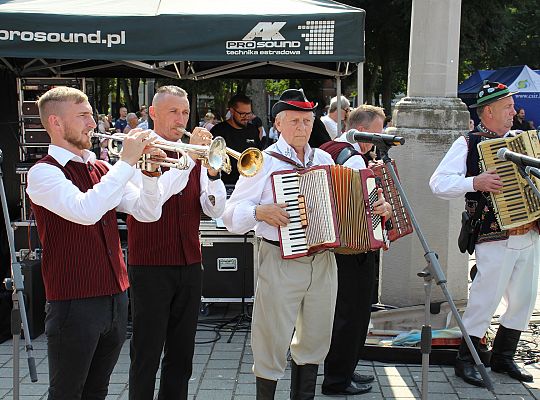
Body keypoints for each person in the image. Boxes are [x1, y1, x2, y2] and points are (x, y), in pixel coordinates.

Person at [223, 89, 389, 400]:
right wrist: (260, 211)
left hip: (324, 260)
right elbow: (230, 215)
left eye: (308, 121)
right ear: (279, 124)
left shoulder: (325, 158)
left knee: (316, 337)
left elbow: (353, 202)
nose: (303, 127)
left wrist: (377, 207)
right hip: (279, 259)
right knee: (271, 337)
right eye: (296, 121)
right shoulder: (264, 161)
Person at [26, 86, 164, 400]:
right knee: (66, 392)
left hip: (115, 296)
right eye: (83, 116)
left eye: (91, 114)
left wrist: (152, 172)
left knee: (97, 390)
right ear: (56, 123)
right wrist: (127, 162)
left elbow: (147, 211)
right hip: (74, 301)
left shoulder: (102, 168)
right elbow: (85, 210)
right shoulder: (44, 172)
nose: (93, 123)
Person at [430, 81, 538, 387]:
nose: (513, 112)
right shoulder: (467, 143)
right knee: (484, 299)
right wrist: (473, 182)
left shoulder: (522, 140)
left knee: (524, 299)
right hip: (493, 235)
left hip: (529, 232)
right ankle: (468, 359)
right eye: (506, 107)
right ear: (487, 111)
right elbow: (437, 183)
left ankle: (504, 357)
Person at [127, 85, 226, 400]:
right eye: (173, 111)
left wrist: (210, 172)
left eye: (185, 112)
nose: (181, 118)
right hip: (150, 263)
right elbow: (152, 203)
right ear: (153, 113)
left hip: (189, 262)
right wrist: (189, 158)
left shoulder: (194, 154)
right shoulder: (134, 150)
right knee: (147, 352)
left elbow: (215, 209)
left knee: (182, 354)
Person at [319, 105, 392, 396]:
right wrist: (384, 209)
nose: (382, 136)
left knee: (344, 313)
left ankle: (344, 369)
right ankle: (337, 379)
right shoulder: (353, 160)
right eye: (379, 131)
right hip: (354, 249)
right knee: (353, 314)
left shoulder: (329, 149)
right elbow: (368, 207)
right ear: (364, 131)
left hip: (334, 247)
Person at [211, 93, 262, 185]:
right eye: (242, 114)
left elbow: (257, 156)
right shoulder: (218, 131)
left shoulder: (253, 130)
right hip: (226, 183)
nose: (246, 117)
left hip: (249, 183)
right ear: (232, 111)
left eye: (249, 113)